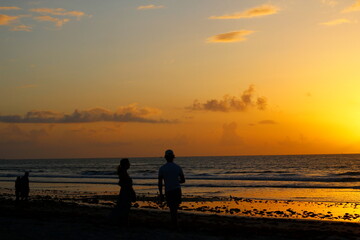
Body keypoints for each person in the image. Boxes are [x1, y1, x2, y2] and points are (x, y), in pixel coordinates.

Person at [158, 149, 185, 229]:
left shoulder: (162, 168)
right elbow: (183, 180)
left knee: (171, 208)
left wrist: (161, 194)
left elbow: (160, 183)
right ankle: (175, 223)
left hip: (168, 190)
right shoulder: (177, 167)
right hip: (176, 189)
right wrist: (176, 181)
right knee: (175, 207)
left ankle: (174, 223)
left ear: (165, 157)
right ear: (173, 157)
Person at [116, 158, 136, 225]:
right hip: (126, 193)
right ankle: (124, 222)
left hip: (124, 192)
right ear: (125, 165)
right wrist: (132, 193)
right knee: (125, 207)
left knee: (123, 207)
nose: (129, 164)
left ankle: (123, 221)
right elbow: (127, 185)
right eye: (128, 163)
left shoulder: (123, 173)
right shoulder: (124, 174)